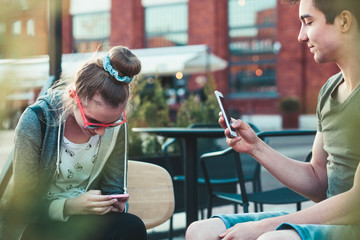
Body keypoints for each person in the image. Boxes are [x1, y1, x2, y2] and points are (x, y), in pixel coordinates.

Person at [186, 0, 360, 239]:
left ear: (344, 21)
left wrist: (263, 227)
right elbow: (319, 182)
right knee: (201, 231)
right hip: (331, 220)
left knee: (271, 238)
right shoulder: (329, 91)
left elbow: (355, 203)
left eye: (308, 22)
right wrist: (256, 147)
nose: (300, 36)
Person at [1, 46, 147, 240]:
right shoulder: (36, 120)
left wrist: (115, 204)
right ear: (73, 96)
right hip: (38, 223)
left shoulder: (116, 126)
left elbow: (115, 189)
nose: (102, 131)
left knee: (132, 226)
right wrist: (71, 206)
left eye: (111, 122)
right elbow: (23, 205)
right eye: (93, 121)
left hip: (85, 222)